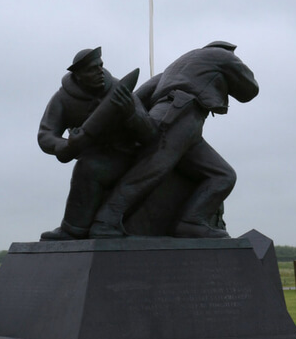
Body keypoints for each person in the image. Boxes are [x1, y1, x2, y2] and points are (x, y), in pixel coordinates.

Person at [89, 41, 259, 239]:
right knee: (150, 170)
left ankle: (191, 222)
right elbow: (249, 90)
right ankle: (105, 221)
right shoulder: (222, 55)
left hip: (184, 120)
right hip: (179, 113)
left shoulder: (173, 69)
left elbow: (139, 96)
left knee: (222, 175)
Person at [37, 47, 157, 240]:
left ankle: (75, 229)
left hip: (128, 155)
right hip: (93, 155)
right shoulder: (63, 99)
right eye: (92, 69)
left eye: (100, 66)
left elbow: (151, 134)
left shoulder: (119, 90)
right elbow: (45, 134)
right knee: (88, 166)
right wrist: (65, 145)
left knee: (90, 168)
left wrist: (131, 115)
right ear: (78, 75)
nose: (100, 71)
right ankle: (73, 229)